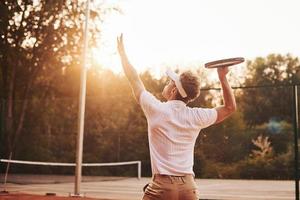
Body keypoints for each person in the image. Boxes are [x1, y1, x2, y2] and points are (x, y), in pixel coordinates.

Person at [117, 34, 236, 200]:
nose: (167, 84)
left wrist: (122, 55)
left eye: (169, 83)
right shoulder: (197, 116)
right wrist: (223, 78)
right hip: (189, 188)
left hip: (162, 187)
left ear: (173, 91)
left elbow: (134, 79)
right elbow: (230, 107)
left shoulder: (156, 109)